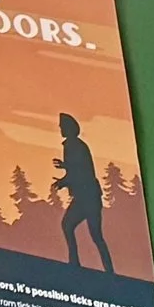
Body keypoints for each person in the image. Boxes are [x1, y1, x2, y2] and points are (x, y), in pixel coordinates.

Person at [52, 114, 114, 274]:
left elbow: (81, 170)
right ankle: (76, 263)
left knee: (95, 235)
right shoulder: (72, 145)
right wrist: (63, 180)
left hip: (89, 197)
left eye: (62, 126)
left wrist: (64, 171)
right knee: (69, 226)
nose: (60, 129)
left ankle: (108, 271)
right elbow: (75, 171)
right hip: (84, 197)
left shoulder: (75, 146)